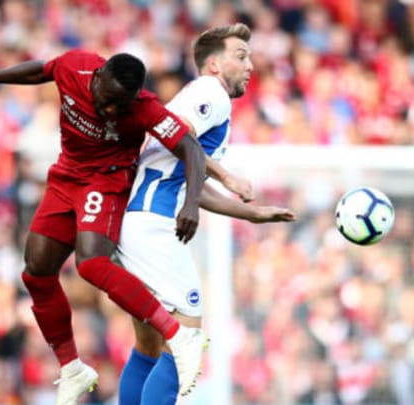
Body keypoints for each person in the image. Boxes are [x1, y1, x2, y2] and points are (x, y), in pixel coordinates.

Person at [0, 51, 213, 405]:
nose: (113, 111)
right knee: (36, 273)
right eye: (109, 100)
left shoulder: (144, 107)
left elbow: (190, 149)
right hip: (66, 177)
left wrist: (192, 202)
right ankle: (72, 369)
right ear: (97, 77)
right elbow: (40, 72)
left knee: (90, 263)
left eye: (122, 105)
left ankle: (179, 335)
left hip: (107, 181)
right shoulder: (74, 66)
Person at [115, 23, 295, 404]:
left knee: (150, 342)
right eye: (240, 56)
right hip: (154, 225)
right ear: (213, 65)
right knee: (188, 341)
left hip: (138, 219)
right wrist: (229, 177)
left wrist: (251, 214)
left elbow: (185, 171)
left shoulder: (198, 97)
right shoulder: (212, 94)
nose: (250, 66)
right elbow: (179, 139)